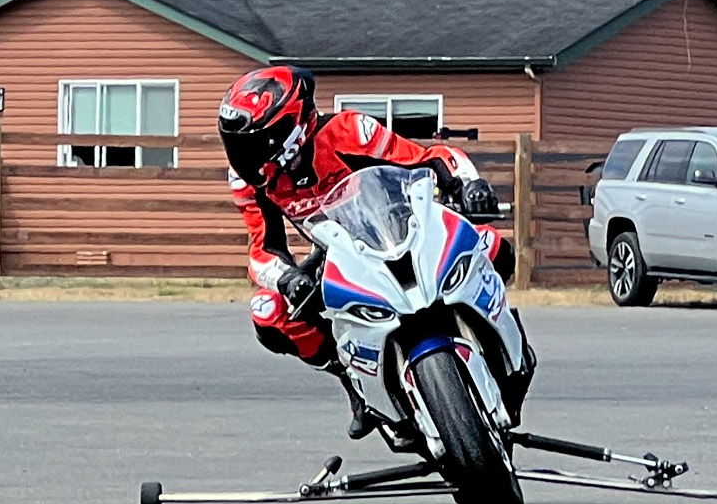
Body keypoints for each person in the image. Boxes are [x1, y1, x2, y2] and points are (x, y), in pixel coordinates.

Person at [217, 67, 535, 426]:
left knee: (492, 245)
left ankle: (502, 335)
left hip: (403, 225)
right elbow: (262, 249)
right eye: (237, 145)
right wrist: (288, 278)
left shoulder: (348, 130)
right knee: (268, 312)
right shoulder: (248, 181)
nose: (244, 155)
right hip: (336, 253)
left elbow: (427, 157)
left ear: (291, 127)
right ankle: (353, 382)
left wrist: (468, 184)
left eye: (255, 142)